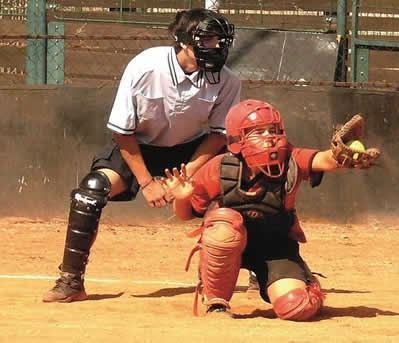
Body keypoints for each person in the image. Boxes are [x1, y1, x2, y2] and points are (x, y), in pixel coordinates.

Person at [43, 8, 241, 303]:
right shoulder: (146, 67)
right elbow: (122, 132)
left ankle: (240, 273)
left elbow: (218, 135)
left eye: (221, 40)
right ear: (184, 40)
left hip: (190, 149)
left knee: (235, 182)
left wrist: (186, 174)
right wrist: (147, 183)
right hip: (138, 147)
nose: (218, 47)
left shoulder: (227, 80)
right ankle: (71, 281)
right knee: (91, 191)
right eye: (209, 39)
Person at [163, 99, 381, 320]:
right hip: (230, 245)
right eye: (258, 132)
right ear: (238, 139)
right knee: (223, 228)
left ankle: (301, 283)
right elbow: (185, 214)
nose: (269, 137)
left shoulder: (290, 159)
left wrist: (342, 157)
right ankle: (217, 303)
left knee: (297, 308)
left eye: (273, 130)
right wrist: (182, 198)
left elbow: (322, 159)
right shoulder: (219, 168)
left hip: (275, 246)